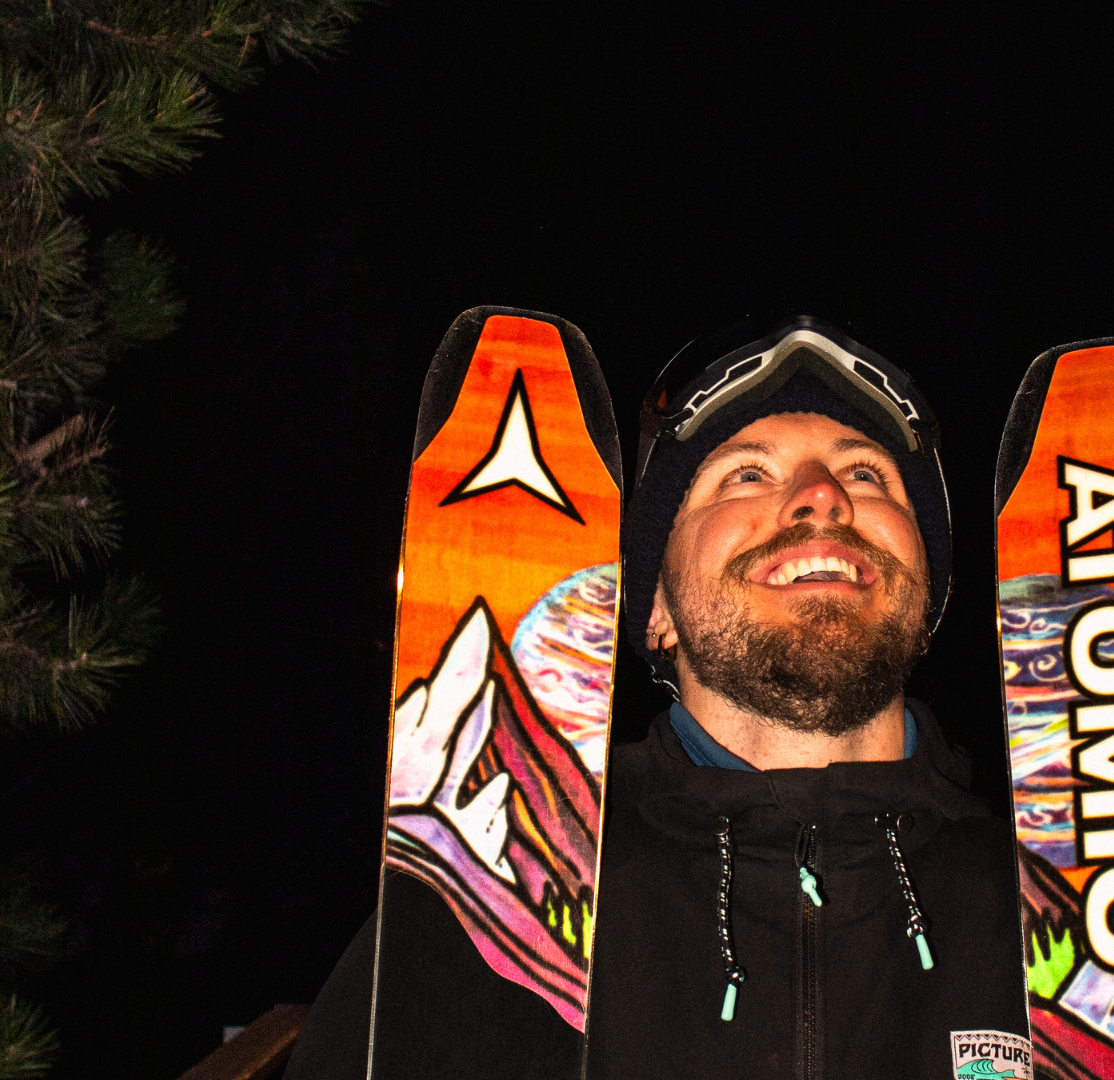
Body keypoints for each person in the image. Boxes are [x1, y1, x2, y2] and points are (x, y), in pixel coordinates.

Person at [285, 317, 1030, 1080]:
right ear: (656, 611)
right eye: (746, 473)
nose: (821, 497)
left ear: (926, 594)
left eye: (867, 474)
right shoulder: (492, 898)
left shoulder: (1064, 910)